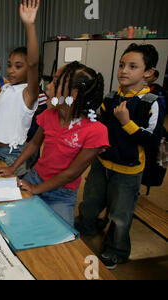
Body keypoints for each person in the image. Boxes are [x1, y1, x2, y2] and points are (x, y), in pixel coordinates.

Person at [75, 44, 165, 269]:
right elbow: (100, 124)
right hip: (102, 162)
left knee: (120, 214)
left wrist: (127, 123)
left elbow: (153, 140)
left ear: (148, 72)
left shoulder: (151, 102)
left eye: (133, 66)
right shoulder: (112, 97)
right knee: (91, 200)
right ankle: (87, 226)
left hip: (129, 170)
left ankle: (117, 250)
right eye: (122, 65)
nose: (124, 70)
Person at [0, 61, 109, 226]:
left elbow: (72, 173)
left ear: (73, 94)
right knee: (12, 222)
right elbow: (34, 144)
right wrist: (13, 168)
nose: (48, 86)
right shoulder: (50, 114)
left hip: (61, 194)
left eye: (55, 82)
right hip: (35, 178)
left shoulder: (96, 131)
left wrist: (36, 190)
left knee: (61, 239)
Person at [0, 0, 41, 179]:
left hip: (12, 154)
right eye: (10, 65)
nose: (11, 70)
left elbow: (34, 63)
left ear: (29, 68)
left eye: (18, 66)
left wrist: (30, 26)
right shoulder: (5, 88)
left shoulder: (28, 93)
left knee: (13, 195)